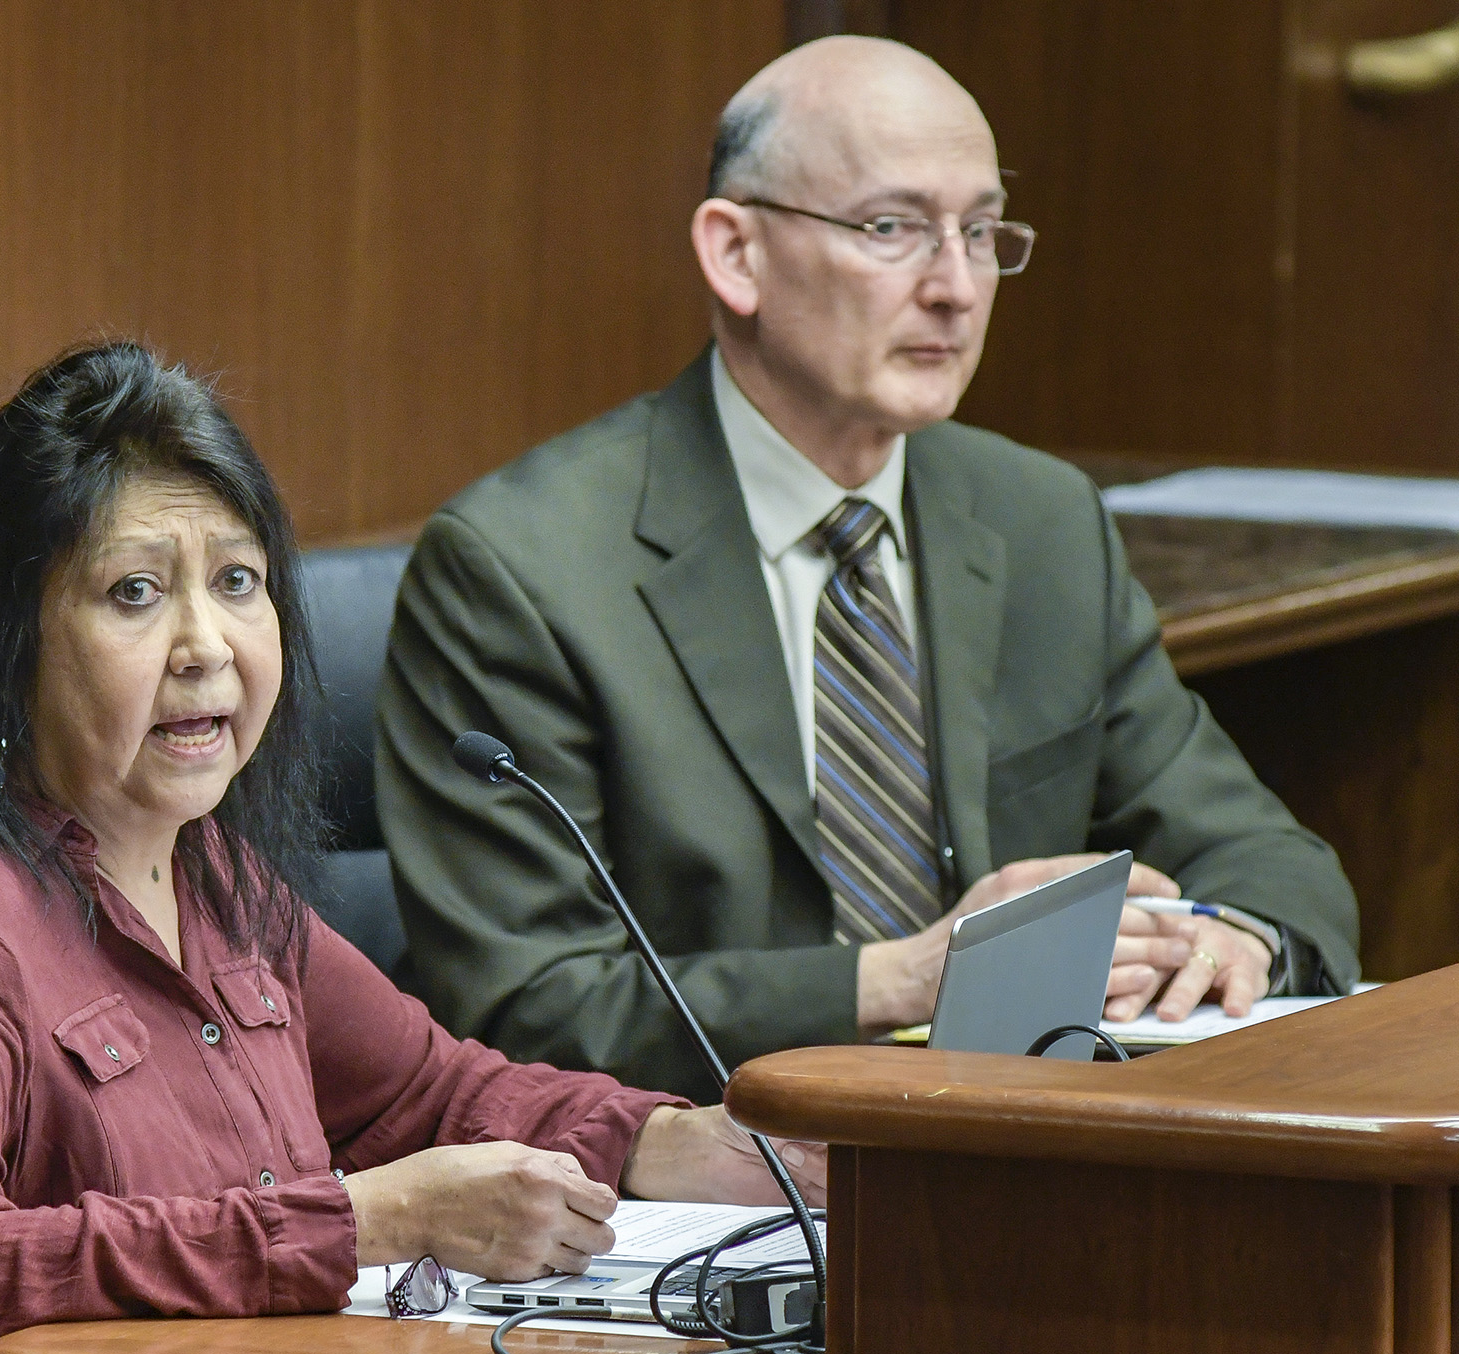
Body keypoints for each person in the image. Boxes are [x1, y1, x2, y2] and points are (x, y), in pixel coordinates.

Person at [0, 342, 813, 1354]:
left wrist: (666, 1144)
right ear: (9, 637)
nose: (207, 646)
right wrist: (359, 1222)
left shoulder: (204, 867)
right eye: (136, 592)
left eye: (237, 583)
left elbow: (424, 1092)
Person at [374, 36, 1359, 1101]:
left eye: (981, 233)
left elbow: (1273, 862)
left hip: (1026, 1142)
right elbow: (524, 1005)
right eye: (893, 228)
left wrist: (1231, 937)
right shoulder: (524, 566)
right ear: (736, 253)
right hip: (706, 1180)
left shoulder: (1040, 522)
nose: (955, 287)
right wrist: (905, 978)